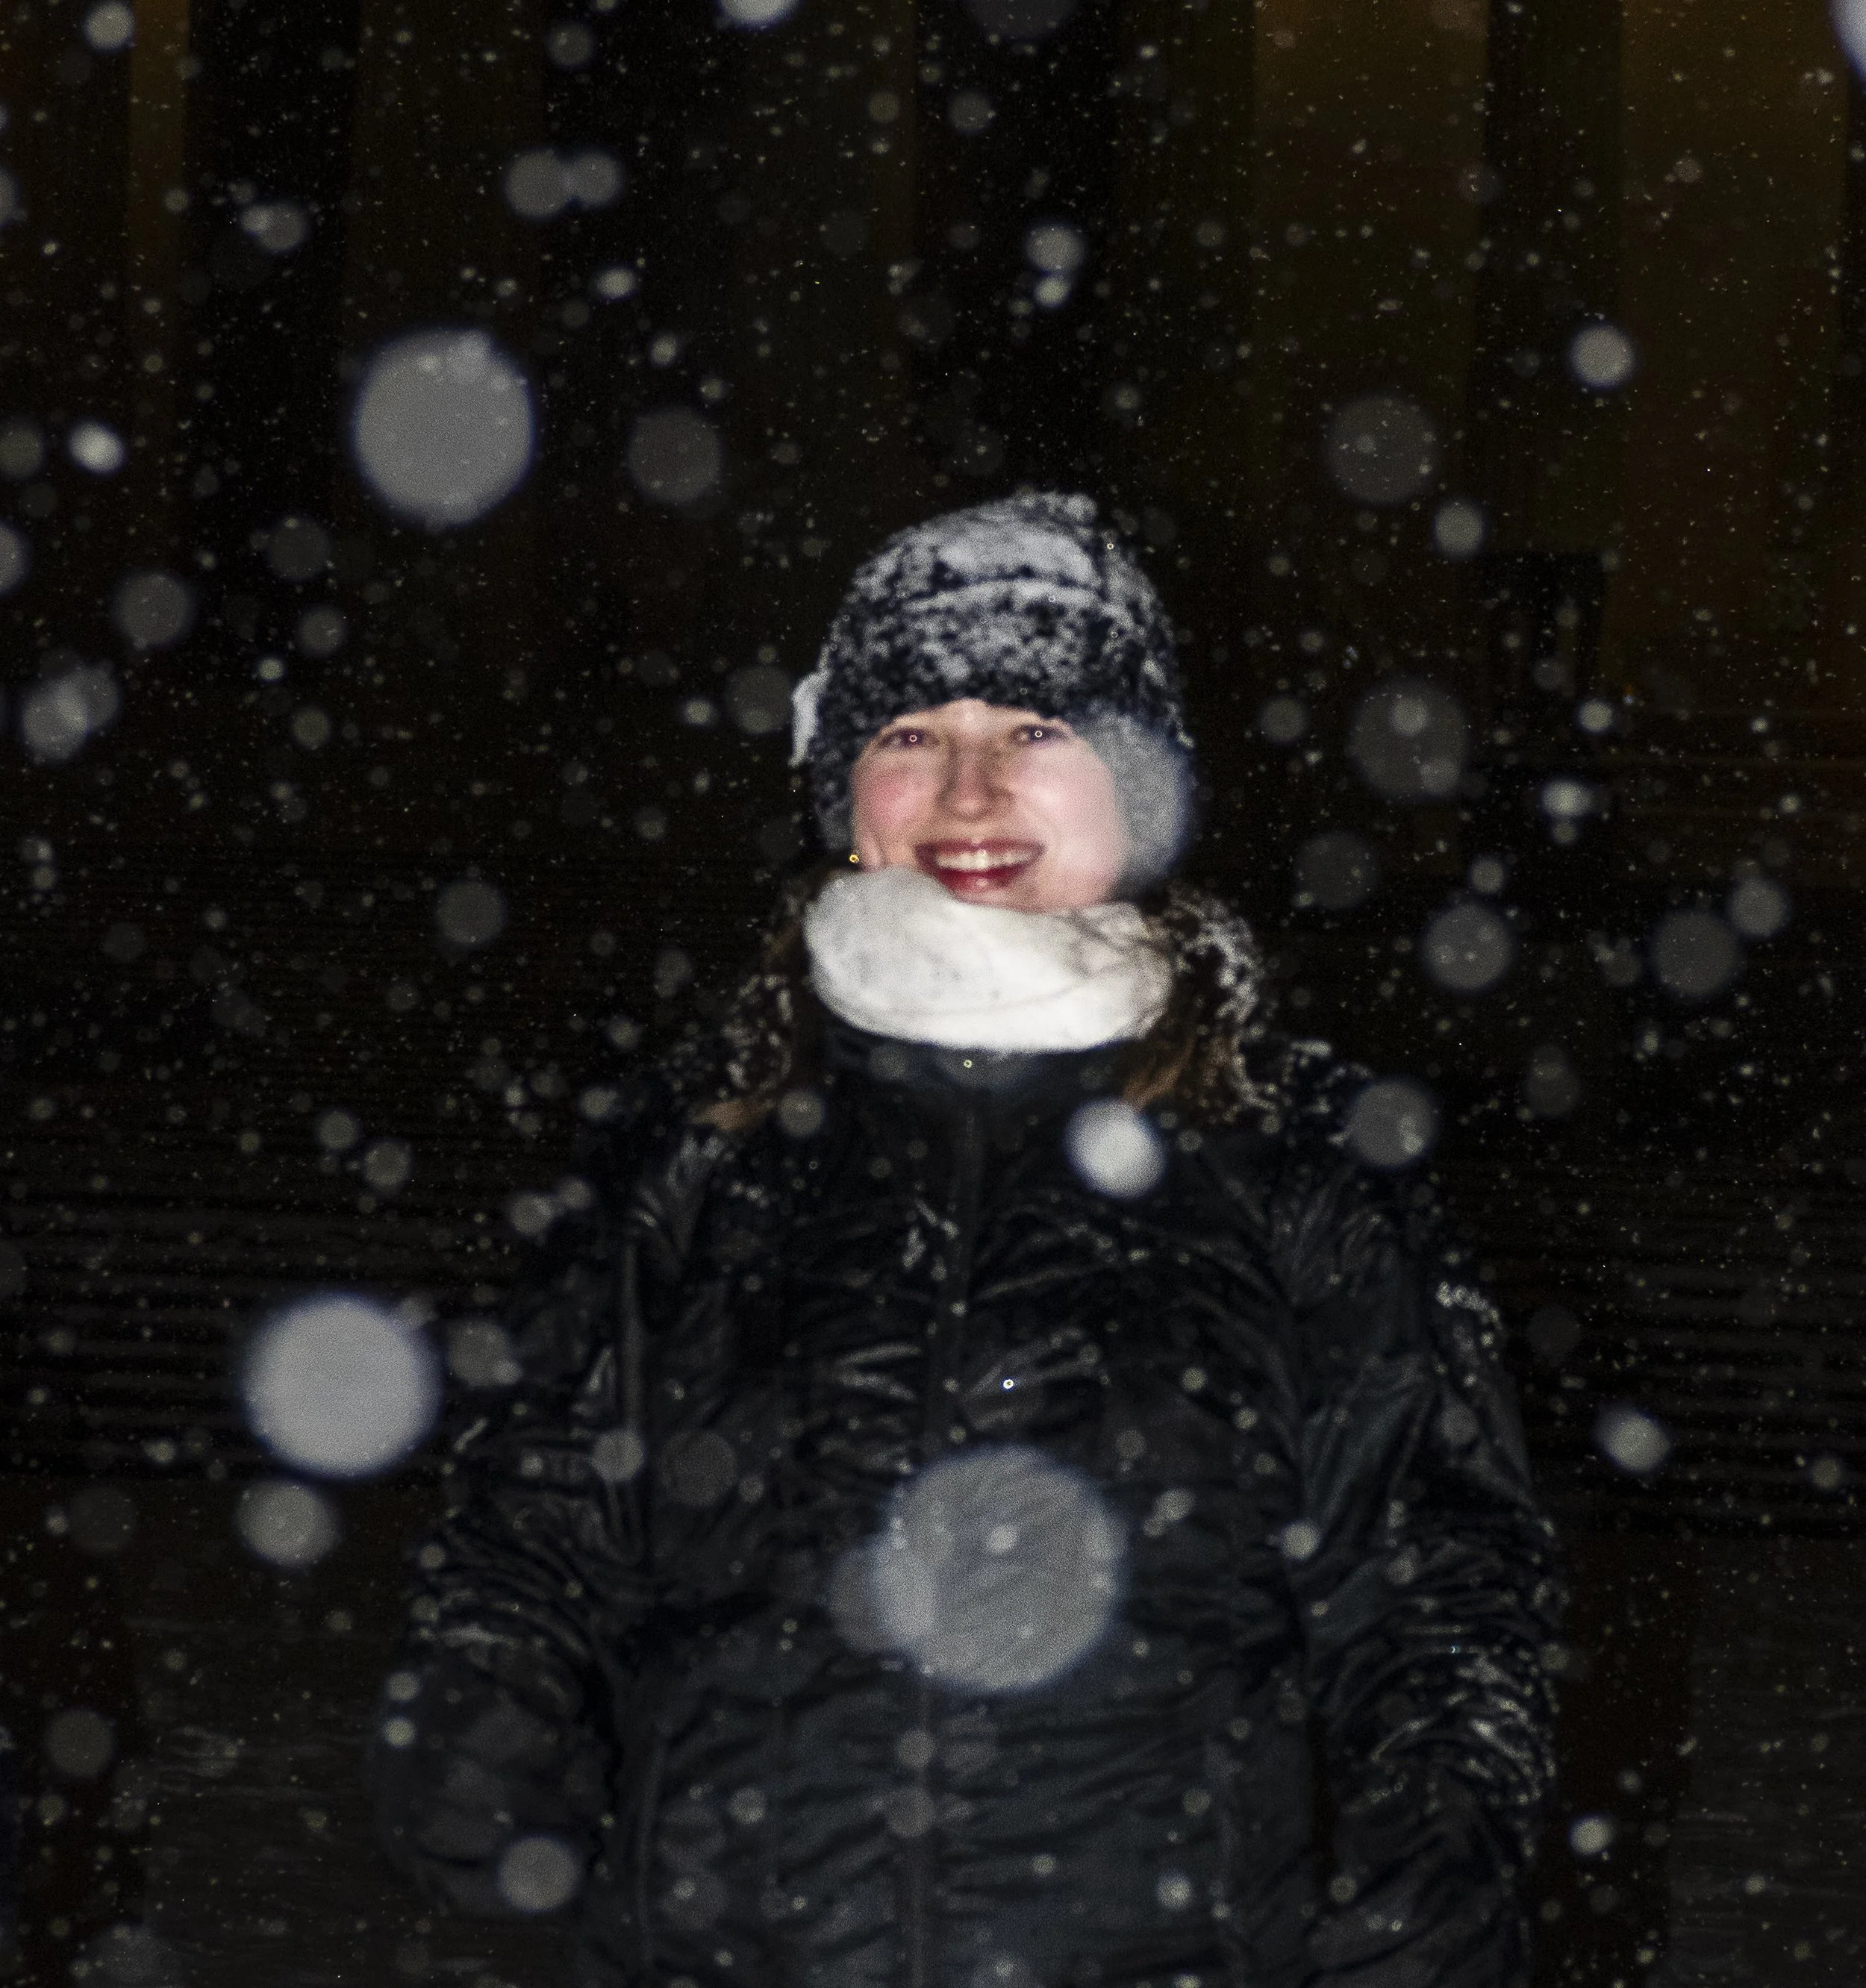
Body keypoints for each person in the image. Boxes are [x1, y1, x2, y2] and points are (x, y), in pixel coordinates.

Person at [369, 493, 1561, 1988]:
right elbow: (538, 1512)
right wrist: (481, 1722)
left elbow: (1431, 1585)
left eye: (1037, 731)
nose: (969, 787)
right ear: (842, 797)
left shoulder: (1304, 1160)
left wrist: (1425, 1871)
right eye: (909, 733)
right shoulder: (694, 1148)